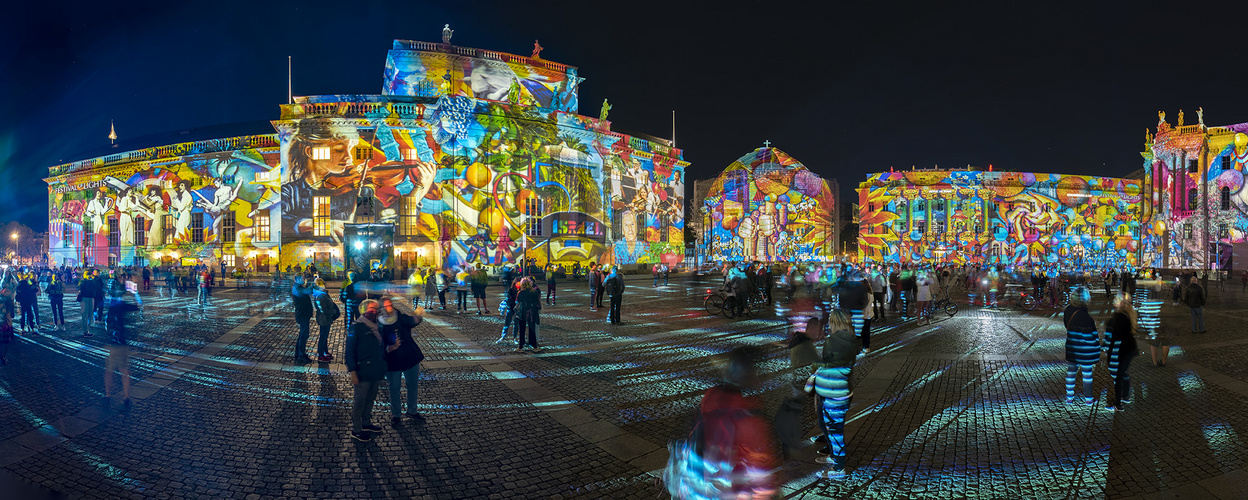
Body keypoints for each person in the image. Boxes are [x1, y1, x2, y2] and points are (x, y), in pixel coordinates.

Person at [696, 346, 780, 495]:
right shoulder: (749, 418)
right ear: (752, 374)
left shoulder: (711, 396)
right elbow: (760, 475)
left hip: (706, 485)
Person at [805, 309, 856, 477]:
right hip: (843, 391)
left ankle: (839, 468)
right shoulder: (852, 340)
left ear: (834, 323)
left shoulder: (832, 341)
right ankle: (835, 457)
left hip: (833, 392)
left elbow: (827, 364)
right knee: (834, 428)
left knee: (835, 431)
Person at [379, 296, 426, 425]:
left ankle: (412, 410)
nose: (389, 307)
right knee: (394, 387)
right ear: (381, 308)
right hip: (393, 360)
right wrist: (389, 348)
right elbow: (377, 344)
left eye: (390, 304)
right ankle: (396, 414)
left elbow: (411, 321)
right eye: (386, 305)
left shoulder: (399, 316)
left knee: (412, 385)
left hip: (410, 355)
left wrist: (417, 316)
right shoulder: (379, 323)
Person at [345, 299, 387, 442]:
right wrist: (352, 371)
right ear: (363, 310)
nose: (373, 311)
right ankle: (356, 429)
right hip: (362, 370)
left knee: (370, 399)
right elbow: (349, 351)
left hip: (376, 369)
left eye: (375, 308)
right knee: (360, 401)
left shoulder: (378, 325)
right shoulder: (357, 326)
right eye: (370, 309)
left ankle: (366, 423)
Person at [104, 280, 141, 411]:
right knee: (124, 371)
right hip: (122, 341)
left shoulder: (111, 305)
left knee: (109, 371)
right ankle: (126, 398)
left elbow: (106, 323)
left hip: (112, 342)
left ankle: (108, 395)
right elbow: (139, 305)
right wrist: (135, 294)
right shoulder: (122, 305)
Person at [1063, 287, 1099, 405]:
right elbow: (1088, 336)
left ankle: (1069, 397)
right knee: (1087, 374)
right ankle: (1088, 399)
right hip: (1084, 350)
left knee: (1071, 372)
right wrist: (1096, 344)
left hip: (1073, 347)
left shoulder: (1068, 310)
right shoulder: (1085, 317)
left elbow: (1066, 325)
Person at [1104, 293, 1139, 411]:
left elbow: (1114, 337)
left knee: (1118, 377)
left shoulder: (1119, 316)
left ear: (1122, 303)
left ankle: (1118, 404)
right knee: (1124, 373)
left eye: (1117, 299)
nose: (1114, 300)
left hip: (1123, 350)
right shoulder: (1128, 314)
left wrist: (1109, 354)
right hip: (1130, 349)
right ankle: (1126, 396)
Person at [311, 279, 340, 362]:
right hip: (323, 318)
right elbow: (323, 309)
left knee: (325, 336)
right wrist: (333, 312)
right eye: (322, 285)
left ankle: (325, 352)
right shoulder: (320, 296)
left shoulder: (323, 294)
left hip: (326, 318)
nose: (324, 286)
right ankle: (321, 354)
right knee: (323, 336)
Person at [513, 278, 543, 352]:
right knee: (532, 329)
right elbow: (537, 301)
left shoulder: (521, 292)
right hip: (532, 311)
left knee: (522, 329)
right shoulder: (534, 292)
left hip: (523, 312)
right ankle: (534, 346)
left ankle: (520, 347)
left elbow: (517, 302)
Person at [291, 274, 314, 363]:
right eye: (303, 278)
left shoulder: (298, 286)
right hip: (302, 314)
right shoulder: (297, 288)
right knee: (304, 335)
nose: (304, 280)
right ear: (299, 279)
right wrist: (314, 285)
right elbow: (308, 291)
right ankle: (301, 355)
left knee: (302, 334)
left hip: (303, 314)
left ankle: (299, 353)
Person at [76, 271, 98, 337]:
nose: (89, 276)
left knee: (90, 314)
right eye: (88, 275)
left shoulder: (92, 281)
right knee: (84, 314)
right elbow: (80, 288)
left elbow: (96, 288)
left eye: (90, 275)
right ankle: (85, 331)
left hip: (91, 298)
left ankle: (88, 330)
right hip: (84, 298)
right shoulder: (82, 281)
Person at [0, 287, 15, 365]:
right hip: (4, 324)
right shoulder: (4, 301)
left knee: (5, 343)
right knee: (4, 343)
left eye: (7, 291)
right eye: (4, 291)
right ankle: (2, 357)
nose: (4, 292)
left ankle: (3, 356)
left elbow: (11, 315)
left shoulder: (8, 302)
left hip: (4, 325)